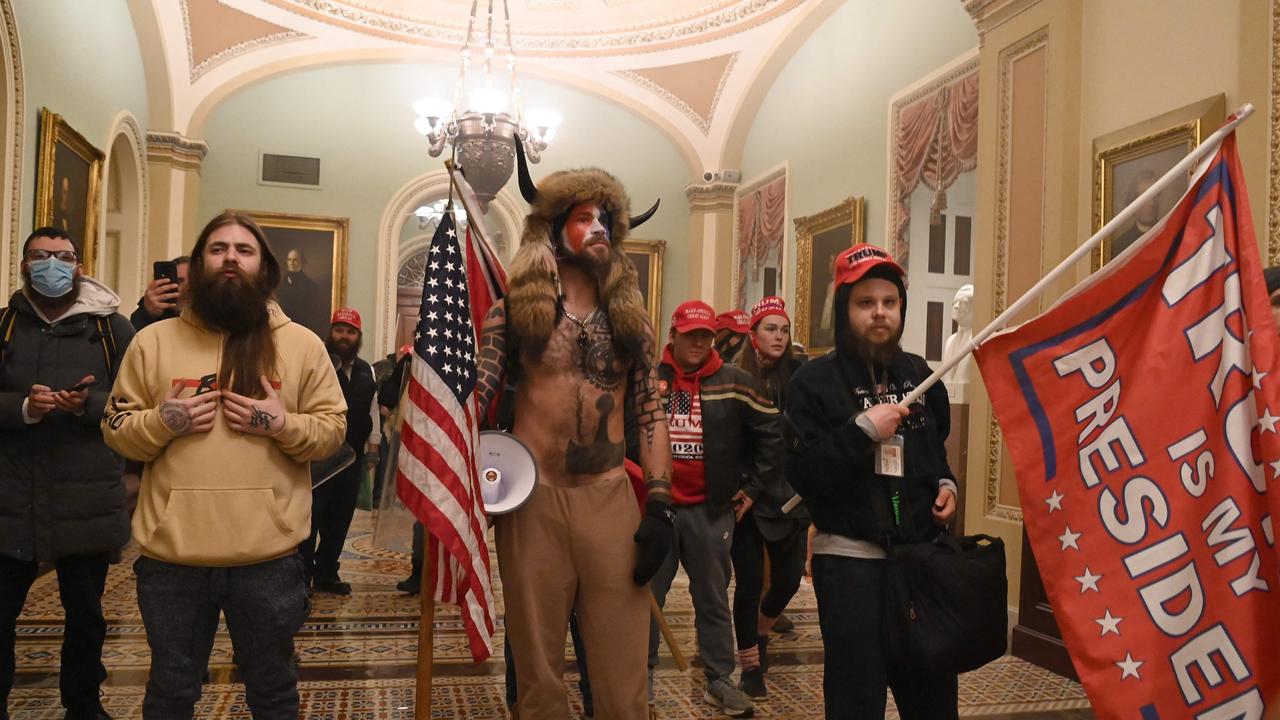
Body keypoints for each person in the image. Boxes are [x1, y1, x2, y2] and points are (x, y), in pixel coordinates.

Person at [102, 211, 347, 719]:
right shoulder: (153, 341)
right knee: (170, 693)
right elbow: (115, 429)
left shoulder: (301, 345)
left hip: (269, 559)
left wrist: (281, 425)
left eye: (243, 249)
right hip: (173, 560)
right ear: (197, 264)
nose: (230, 258)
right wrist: (163, 421)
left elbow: (333, 433)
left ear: (265, 268)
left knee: (274, 692)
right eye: (217, 249)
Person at [472, 141, 673, 719]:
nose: (598, 227)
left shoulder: (629, 319)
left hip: (609, 499)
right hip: (531, 500)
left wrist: (660, 505)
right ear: (554, 229)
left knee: (622, 674)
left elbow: (650, 410)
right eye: (584, 217)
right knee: (537, 673)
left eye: (605, 218)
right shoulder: (513, 312)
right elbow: (478, 396)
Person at [786, 243, 959, 720]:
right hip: (850, 565)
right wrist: (862, 432)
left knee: (933, 695)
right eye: (866, 303)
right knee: (856, 698)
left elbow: (933, 451)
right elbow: (803, 474)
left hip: (921, 563)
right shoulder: (812, 383)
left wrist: (947, 485)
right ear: (845, 309)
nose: (880, 313)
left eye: (890, 302)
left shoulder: (920, 374)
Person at [1, 227, 135, 720]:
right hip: (12, 499)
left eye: (63, 256)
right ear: (23, 265)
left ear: (79, 265)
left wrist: (88, 404)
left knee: (86, 617)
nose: (52, 265)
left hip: (88, 498)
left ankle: (83, 703)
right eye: (40, 256)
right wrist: (23, 408)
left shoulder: (113, 330)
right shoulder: (5, 326)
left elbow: (136, 401)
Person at [647, 299, 782, 717]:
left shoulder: (736, 382)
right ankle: (642, 682)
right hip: (657, 510)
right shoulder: (650, 380)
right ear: (673, 335)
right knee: (647, 598)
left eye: (705, 335)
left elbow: (773, 436)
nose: (699, 342)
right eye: (690, 335)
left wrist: (753, 489)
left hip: (711, 510)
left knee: (713, 599)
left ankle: (719, 681)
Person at [730, 295, 810, 699]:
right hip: (746, 496)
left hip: (791, 496)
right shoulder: (735, 375)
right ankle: (751, 665)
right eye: (770, 329)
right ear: (753, 334)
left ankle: (761, 633)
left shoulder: (800, 375)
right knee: (747, 585)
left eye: (784, 329)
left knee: (788, 581)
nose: (779, 337)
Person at [302, 307, 378, 595]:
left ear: (358, 336)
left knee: (340, 519)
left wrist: (374, 447)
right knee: (312, 517)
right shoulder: (316, 363)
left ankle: (327, 573)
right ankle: (304, 574)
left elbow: (373, 409)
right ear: (330, 332)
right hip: (319, 458)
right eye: (339, 330)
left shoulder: (366, 370)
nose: (344, 336)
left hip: (353, 458)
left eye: (350, 332)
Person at [276, 248, 328, 337]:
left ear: (302, 262)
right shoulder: (278, 284)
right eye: (289, 260)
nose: (292, 263)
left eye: (295, 260)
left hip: (301, 331)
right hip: (281, 331)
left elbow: (312, 313)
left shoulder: (311, 286)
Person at [131, 255, 190, 330]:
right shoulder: (147, 317)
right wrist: (147, 313)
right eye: (179, 281)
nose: (187, 288)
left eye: (194, 281)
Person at [1111, 170, 1160, 257]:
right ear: (1133, 201)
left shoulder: (1171, 235)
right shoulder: (1120, 245)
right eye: (1146, 197)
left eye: (1155, 196)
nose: (1152, 203)